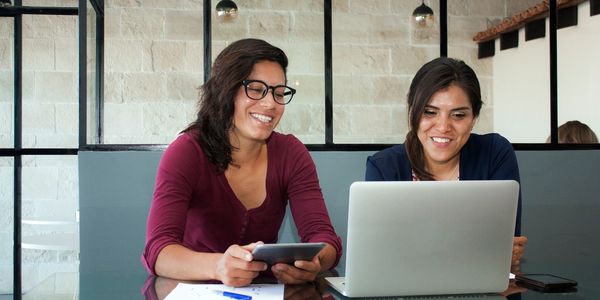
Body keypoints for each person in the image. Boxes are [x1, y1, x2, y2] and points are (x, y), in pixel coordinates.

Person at [142, 38, 342, 287]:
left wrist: (315, 263)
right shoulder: (186, 152)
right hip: (194, 288)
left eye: (279, 93)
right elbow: (158, 250)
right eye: (257, 89)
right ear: (226, 91)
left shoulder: (292, 153)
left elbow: (325, 238)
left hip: (262, 291)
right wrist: (218, 266)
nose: (271, 104)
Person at [365, 57, 527, 269]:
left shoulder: (494, 154)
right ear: (411, 111)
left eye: (458, 115)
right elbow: (380, 257)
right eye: (429, 112)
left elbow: (504, 249)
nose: (443, 127)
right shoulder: (384, 167)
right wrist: (475, 250)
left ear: (474, 117)